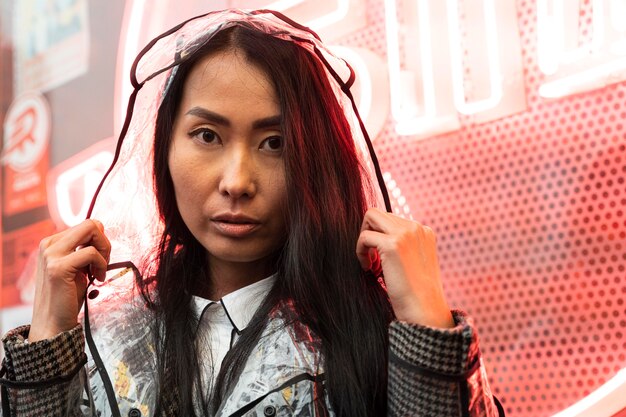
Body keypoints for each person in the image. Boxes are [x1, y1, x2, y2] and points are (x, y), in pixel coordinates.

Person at [0, 9, 503, 417]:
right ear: (164, 151)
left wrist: (428, 330)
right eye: (207, 136)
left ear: (316, 159)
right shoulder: (104, 330)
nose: (237, 182)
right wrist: (47, 348)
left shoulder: (370, 335)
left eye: (275, 143)